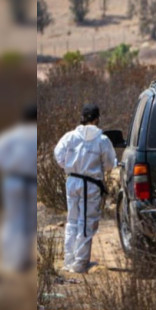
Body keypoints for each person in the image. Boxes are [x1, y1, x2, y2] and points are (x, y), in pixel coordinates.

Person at [54, 104, 116, 273]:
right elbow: (110, 164)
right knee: (86, 223)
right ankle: (80, 264)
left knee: (72, 221)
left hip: (72, 181)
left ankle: (69, 261)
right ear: (96, 119)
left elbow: (58, 155)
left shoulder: (70, 137)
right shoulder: (102, 140)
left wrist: (71, 166)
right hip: (90, 184)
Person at [0, 104, 38, 272]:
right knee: (28, 222)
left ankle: (10, 260)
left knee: (13, 220)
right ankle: (21, 259)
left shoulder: (13, 134)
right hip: (30, 182)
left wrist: (8, 166)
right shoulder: (35, 135)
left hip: (13, 180)